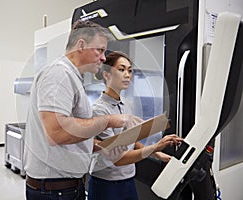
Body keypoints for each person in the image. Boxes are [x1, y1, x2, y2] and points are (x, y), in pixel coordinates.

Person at [23, 20, 142, 200]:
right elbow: (57, 132)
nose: (103, 58)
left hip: (65, 187)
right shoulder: (59, 75)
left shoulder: (72, 77)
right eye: (100, 50)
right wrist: (109, 121)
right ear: (81, 45)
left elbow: (75, 134)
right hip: (54, 191)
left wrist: (101, 147)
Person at [88, 51, 182, 200]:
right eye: (121, 69)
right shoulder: (99, 110)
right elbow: (117, 158)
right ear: (106, 75)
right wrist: (155, 147)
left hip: (128, 180)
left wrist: (157, 154)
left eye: (130, 70)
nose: (127, 74)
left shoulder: (126, 105)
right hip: (106, 184)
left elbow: (130, 140)